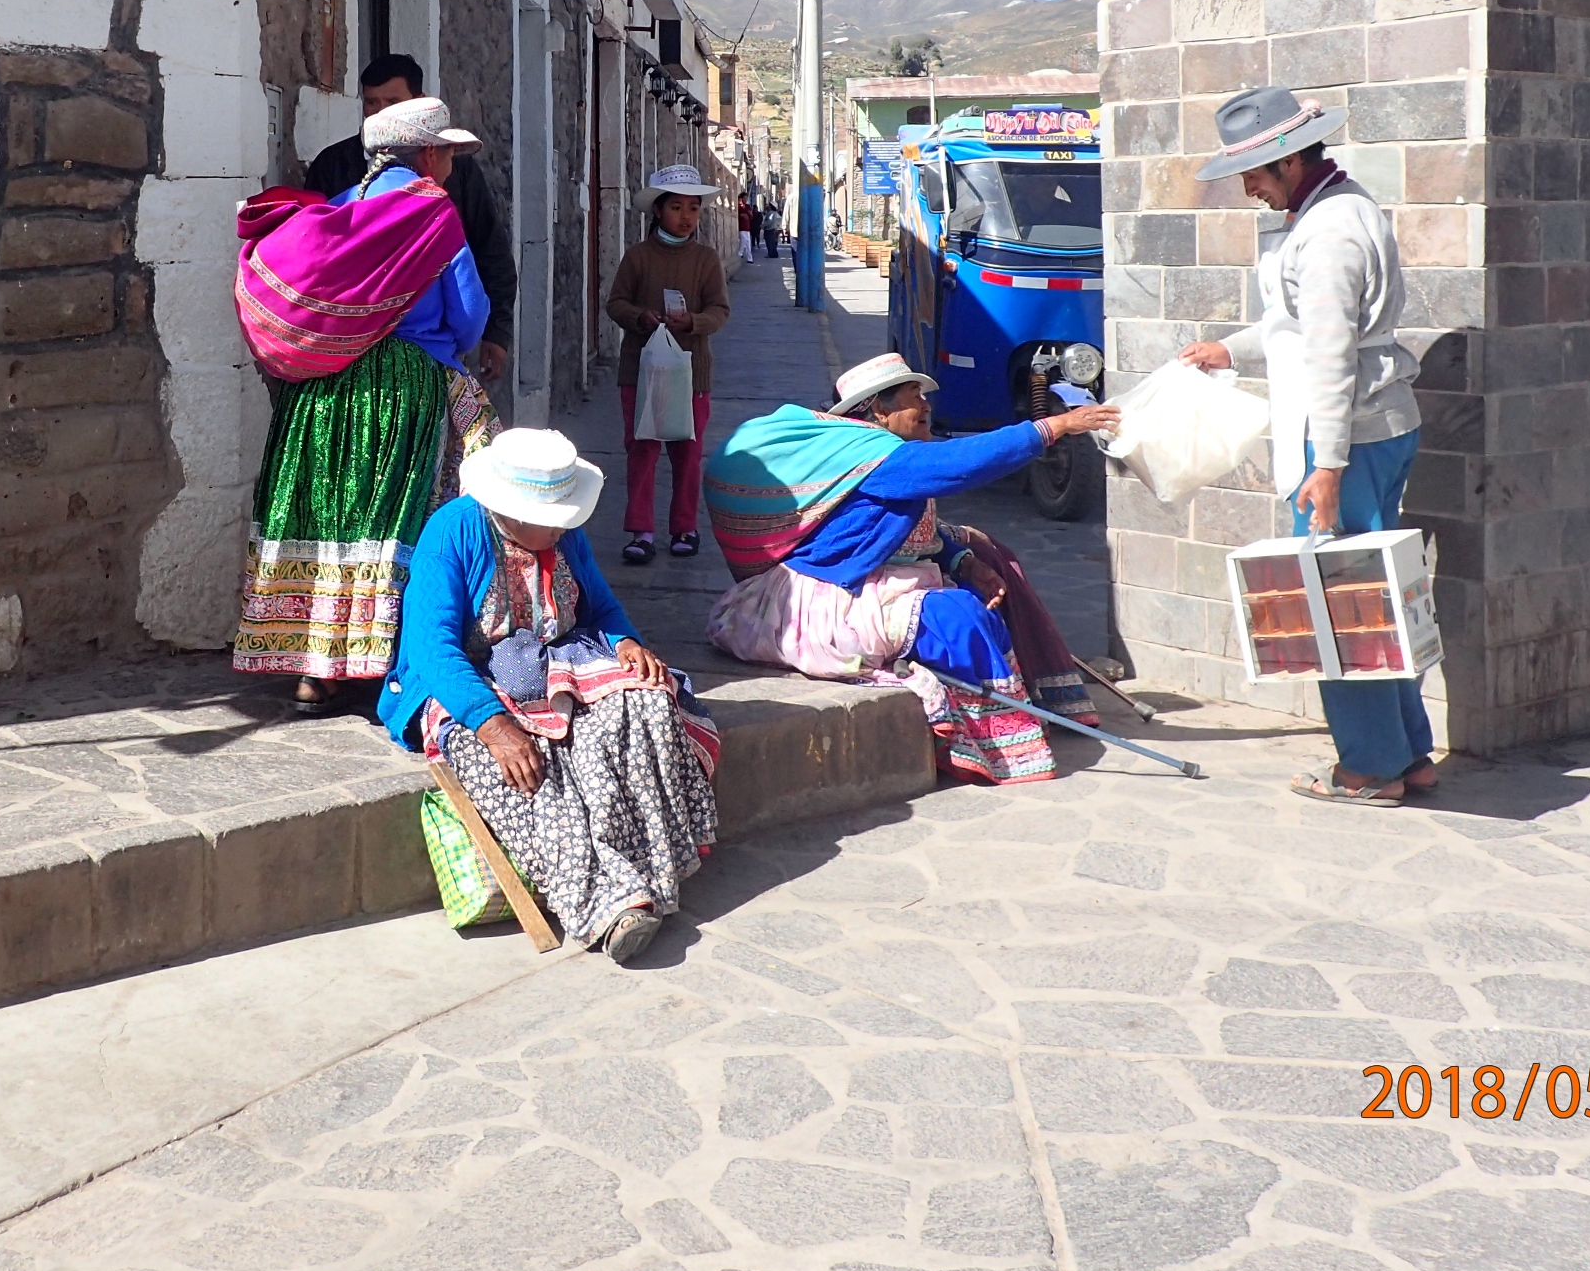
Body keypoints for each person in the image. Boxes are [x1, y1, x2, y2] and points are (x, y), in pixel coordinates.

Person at [1178, 84, 1429, 807]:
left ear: (1289, 160)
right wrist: (1228, 350)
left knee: (1336, 602)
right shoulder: (1333, 211)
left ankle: (1368, 767)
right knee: (1370, 594)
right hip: (1370, 431)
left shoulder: (1327, 235)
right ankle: (1406, 752)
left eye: (1253, 172)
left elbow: (1328, 356)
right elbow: (1298, 330)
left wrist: (1325, 466)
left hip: (1345, 442)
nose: (1247, 187)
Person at [380, 429, 720, 962]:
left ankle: (654, 866)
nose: (565, 529)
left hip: (553, 662)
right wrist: (495, 727)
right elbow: (432, 649)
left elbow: (601, 609)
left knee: (648, 702)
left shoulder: (563, 534)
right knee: (531, 767)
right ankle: (608, 906)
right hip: (469, 680)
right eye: (552, 519)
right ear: (509, 512)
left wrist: (627, 642)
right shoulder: (452, 532)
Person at [704, 354, 1118, 785]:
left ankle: (1036, 692)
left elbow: (913, 533)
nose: (925, 406)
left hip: (880, 580)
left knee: (993, 558)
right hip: (831, 597)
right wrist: (1053, 428)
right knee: (956, 616)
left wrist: (964, 560)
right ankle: (983, 739)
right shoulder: (880, 461)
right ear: (878, 410)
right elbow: (957, 464)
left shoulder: (878, 458)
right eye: (912, 397)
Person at [235, 97, 500, 715]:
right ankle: (403, 659)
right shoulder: (431, 213)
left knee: (325, 513)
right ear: (431, 155)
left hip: (321, 389)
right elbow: (468, 315)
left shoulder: (336, 210)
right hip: (402, 385)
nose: (452, 166)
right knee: (416, 512)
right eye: (450, 154)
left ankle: (313, 669)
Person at [305, 54, 515, 386]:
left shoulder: (459, 175)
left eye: (392, 102)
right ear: (433, 154)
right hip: (409, 374)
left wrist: (498, 332)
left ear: (416, 101)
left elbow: (490, 248)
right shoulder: (334, 166)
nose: (380, 112)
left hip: (335, 374)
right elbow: (469, 314)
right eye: (372, 102)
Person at [605, 164, 734, 565]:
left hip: (692, 373)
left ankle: (684, 527)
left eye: (693, 209)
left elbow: (720, 310)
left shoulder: (706, 260)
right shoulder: (638, 257)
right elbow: (616, 304)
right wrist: (640, 317)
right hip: (641, 372)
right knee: (642, 449)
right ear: (658, 211)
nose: (686, 217)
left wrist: (693, 322)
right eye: (677, 208)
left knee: (687, 452)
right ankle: (641, 531)